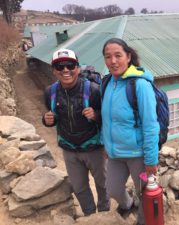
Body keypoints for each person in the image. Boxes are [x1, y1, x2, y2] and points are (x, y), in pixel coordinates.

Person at [42, 48, 110, 216]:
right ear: (54, 71)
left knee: (103, 183)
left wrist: (96, 115)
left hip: (94, 147)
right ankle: (89, 216)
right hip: (69, 149)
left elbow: (108, 117)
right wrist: (46, 120)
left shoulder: (94, 90)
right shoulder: (50, 92)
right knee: (79, 186)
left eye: (70, 65)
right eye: (60, 66)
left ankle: (104, 214)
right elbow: (53, 116)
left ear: (78, 68)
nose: (65, 70)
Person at [101, 38, 160, 225]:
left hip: (138, 156)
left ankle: (142, 221)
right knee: (112, 189)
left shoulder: (140, 85)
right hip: (115, 154)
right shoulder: (107, 83)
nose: (113, 61)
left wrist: (151, 160)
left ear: (128, 57)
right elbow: (107, 119)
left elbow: (150, 125)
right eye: (108, 57)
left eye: (118, 55)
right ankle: (127, 205)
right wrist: (105, 143)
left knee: (144, 191)